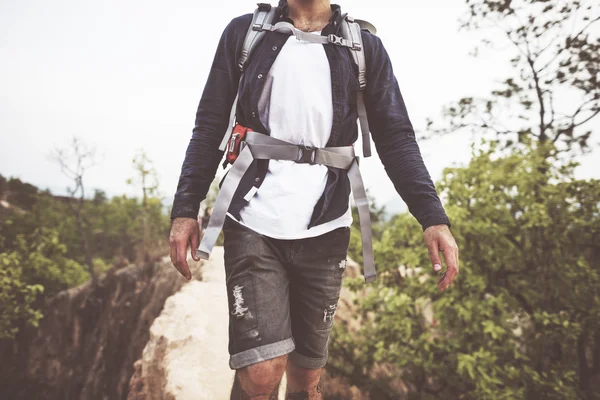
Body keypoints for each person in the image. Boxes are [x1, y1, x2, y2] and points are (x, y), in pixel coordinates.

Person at [168, 0, 460, 398]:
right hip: (253, 216)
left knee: (306, 380)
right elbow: (209, 125)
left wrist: (433, 217)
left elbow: (396, 137)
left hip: (326, 224)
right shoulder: (245, 34)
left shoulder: (363, 47)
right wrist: (186, 208)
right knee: (261, 372)